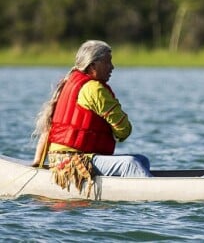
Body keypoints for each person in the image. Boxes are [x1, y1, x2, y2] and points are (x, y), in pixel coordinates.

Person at [32, 40, 152, 193]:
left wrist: (38, 161)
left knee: (142, 160)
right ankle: (156, 195)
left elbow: (48, 127)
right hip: (74, 162)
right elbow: (124, 130)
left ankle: (128, 190)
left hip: (61, 159)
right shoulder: (94, 89)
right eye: (108, 62)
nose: (112, 67)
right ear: (93, 65)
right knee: (131, 164)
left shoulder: (69, 82)